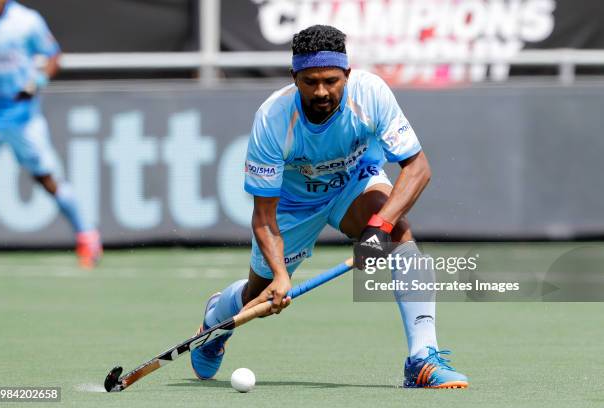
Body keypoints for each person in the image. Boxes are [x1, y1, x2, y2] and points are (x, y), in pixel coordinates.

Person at [190, 24, 468, 388]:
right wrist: (280, 276)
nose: (321, 91)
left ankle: (422, 359)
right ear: (295, 78)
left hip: (353, 183)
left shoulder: (370, 95)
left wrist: (379, 226)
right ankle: (216, 320)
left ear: (347, 74)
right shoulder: (272, 120)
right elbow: (263, 216)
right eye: (309, 82)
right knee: (257, 294)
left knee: (398, 235)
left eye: (331, 81)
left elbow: (418, 169)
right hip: (293, 204)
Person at [0, 0, 102, 268]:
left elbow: (53, 56)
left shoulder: (26, 21)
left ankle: (87, 234)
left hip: (22, 116)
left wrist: (37, 82)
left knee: (46, 178)